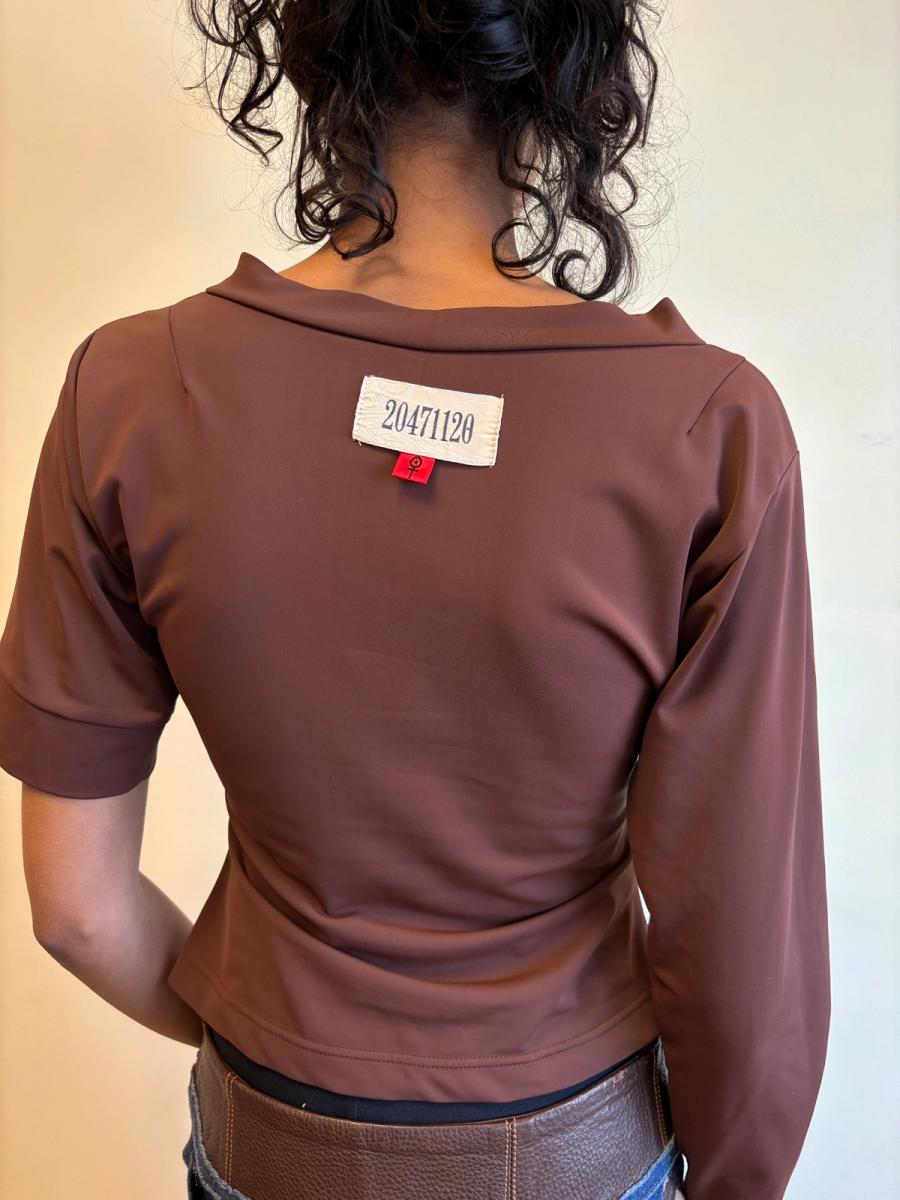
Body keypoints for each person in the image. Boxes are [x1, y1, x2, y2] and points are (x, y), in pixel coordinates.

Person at [0, 2, 830, 1199]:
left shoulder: (128, 388)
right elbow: (741, 948)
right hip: (568, 1145)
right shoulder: (709, 432)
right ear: (569, 72)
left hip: (262, 1129)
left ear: (311, 59)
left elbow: (75, 909)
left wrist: (265, 1054)